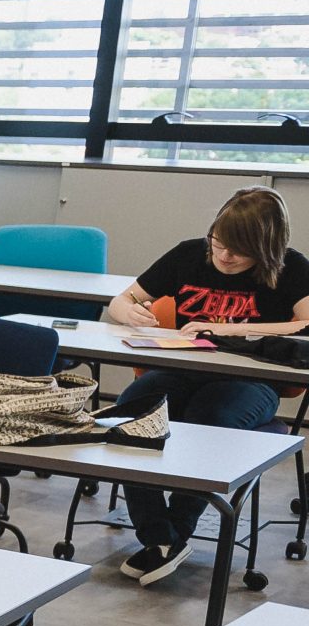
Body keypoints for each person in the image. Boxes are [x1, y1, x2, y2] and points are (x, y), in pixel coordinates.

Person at [102, 185, 309, 586]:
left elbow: (306, 325)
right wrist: (129, 311)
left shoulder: (292, 267)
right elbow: (121, 300)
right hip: (183, 369)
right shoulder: (188, 253)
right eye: (219, 242)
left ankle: (174, 529)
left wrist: (224, 329)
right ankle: (161, 537)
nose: (225, 255)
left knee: (210, 418)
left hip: (251, 380)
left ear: (266, 248)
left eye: (239, 250)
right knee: (132, 410)